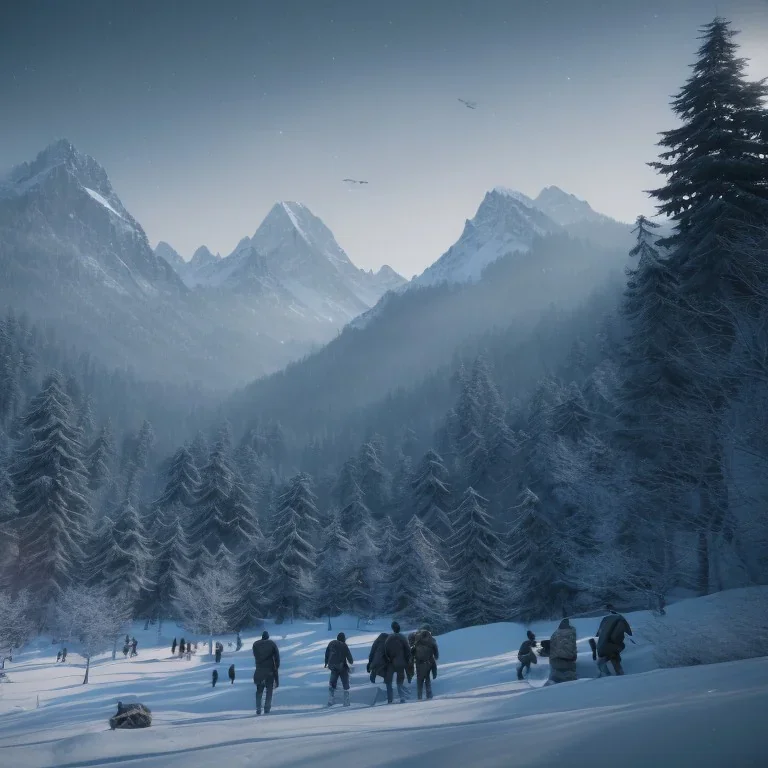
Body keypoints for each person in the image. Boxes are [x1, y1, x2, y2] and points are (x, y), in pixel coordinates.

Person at [595, 606, 633, 676]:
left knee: (604, 661)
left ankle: (608, 676)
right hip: (611, 645)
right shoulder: (619, 619)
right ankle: (616, 675)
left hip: (605, 645)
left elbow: (599, 633)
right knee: (613, 658)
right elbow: (629, 633)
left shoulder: (607, 619)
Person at [383, 621, 411, 704]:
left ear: (392, 628)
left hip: (391, 663)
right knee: (400, 680)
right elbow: (408, 650)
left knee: (389, 681)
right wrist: (408, 660)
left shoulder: (389, 638)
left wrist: (389, 659)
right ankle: (402, 697)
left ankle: (390, 699)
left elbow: (386, 651)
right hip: (401, 662)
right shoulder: (403, 637)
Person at [252, 630, 280, 715]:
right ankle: (267, 708)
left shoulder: (255, 644)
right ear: (267, 636)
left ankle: (258, 708)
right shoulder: (272, 644)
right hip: (269, 671)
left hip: (259, 671)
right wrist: (276, 669)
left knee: (259, 690)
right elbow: (277, 658)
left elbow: (255, 655)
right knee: (269, 691)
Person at [325, 632, 354, 707]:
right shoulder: (344, 646)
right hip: (342, 667)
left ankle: (331, 700)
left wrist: (326, 663)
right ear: (344, 639)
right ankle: (346, 701)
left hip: (333, 667)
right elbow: (350, 658)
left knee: (332, 683)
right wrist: (351, 661)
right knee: (345, 683)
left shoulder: (331, 643)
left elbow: (327, 654)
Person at [546, 619, 577, 685]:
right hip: (568, 663)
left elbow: (552, 647)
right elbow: (573, 649)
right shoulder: (571, 633)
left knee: (555, 680)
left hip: (554, 662)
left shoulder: (555, 633)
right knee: (572, 683)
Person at [412, 626, 439, 701]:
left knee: (419, 680)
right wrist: (435, 657)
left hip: (419, 663)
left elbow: (412, 652)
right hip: (429, 662)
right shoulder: (431, 640)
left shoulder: (417, 640)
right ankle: (429, 695)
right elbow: (436, 653)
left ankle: (419, 696)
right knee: (427, 678)